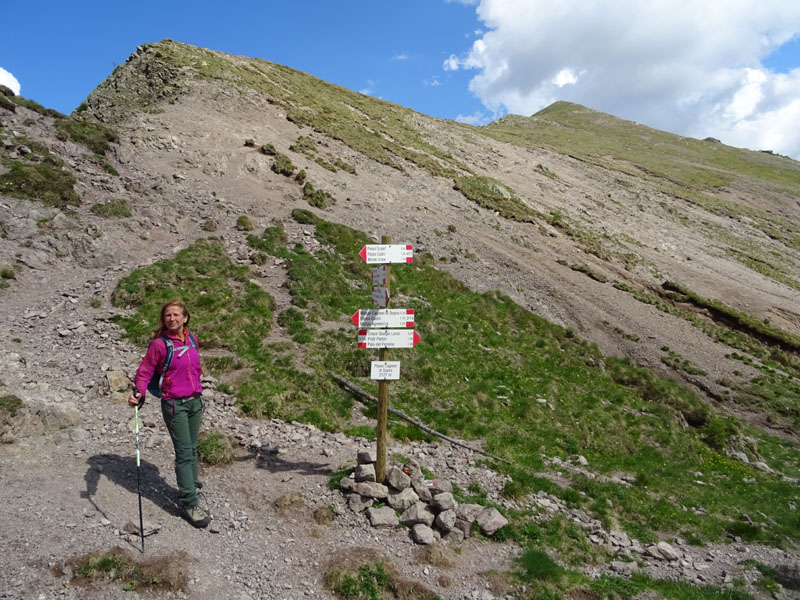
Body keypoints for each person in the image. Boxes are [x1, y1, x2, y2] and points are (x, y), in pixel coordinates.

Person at [128, 298, 211, 528]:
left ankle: (191, 486)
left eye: (176, 315)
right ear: (164, 320)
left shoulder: (191, 338)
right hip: (175, 404)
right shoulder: (159, 344)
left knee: (192, 447)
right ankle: (188, 502)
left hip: (195, 401)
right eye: (168, 316)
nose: (172, 318)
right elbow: (144, 372)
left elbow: (195, 367)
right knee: (184, 452)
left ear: (185, 317)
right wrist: (138, 393)